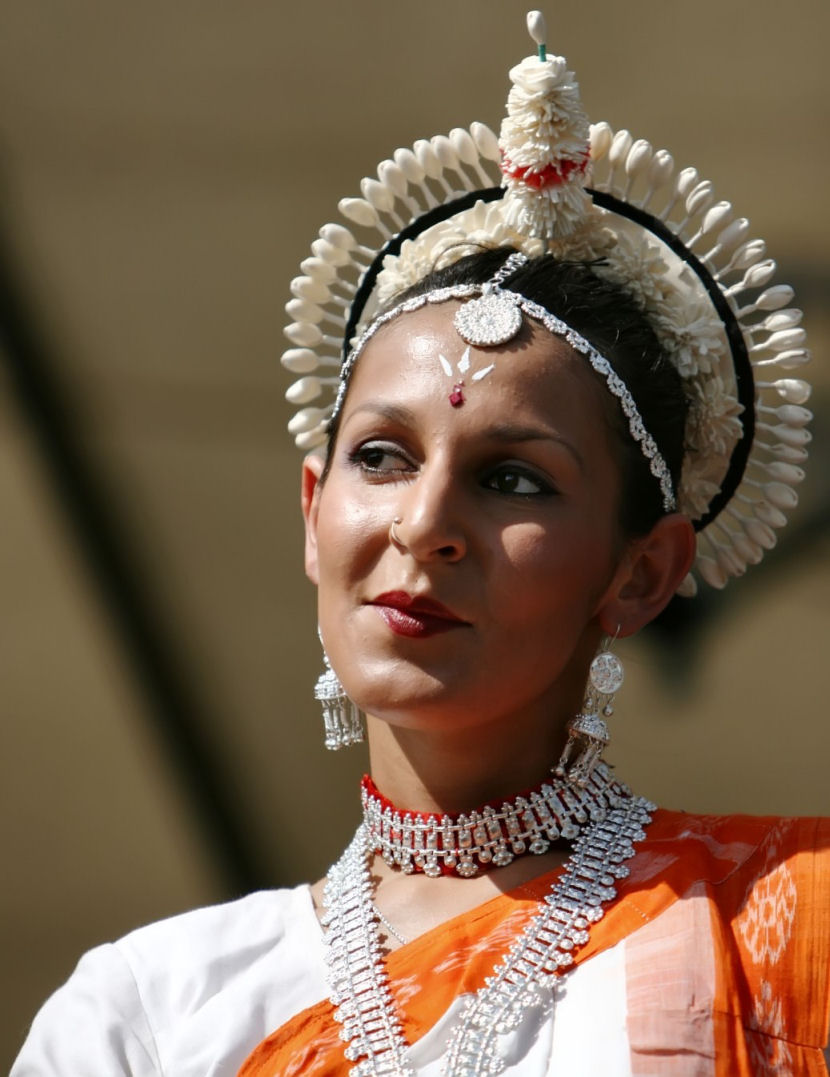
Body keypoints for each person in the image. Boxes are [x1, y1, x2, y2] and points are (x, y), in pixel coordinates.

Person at [12, 10, 829, 1076]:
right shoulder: (154, 1013)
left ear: (642, 574)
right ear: (312, 514)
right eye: (382, 458)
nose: (426, 524)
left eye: (511, 479)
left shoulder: (780, 924)